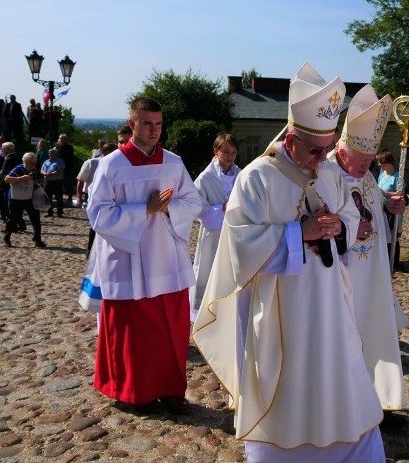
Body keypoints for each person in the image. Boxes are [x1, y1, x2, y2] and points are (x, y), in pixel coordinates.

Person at [193, 63, 385, 462]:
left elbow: (349, 218)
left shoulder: (328, 171)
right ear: (292, 137)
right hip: (283, 311)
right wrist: (301, 233)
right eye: (315, 150)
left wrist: (340, 228)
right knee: (288, 387)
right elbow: (240, 245)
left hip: (331, 304)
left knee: (342, 381)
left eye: (328, 147)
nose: (322, 159)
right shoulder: (256, 178)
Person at [86, 97, 202, 414]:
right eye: (147, 123)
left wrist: (169, 208)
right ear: (133, 123)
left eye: (159, 124)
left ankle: (170, 389)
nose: (154, 130)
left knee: (170, 330)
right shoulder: (112, 165)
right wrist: (144, 210)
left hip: (167, 260)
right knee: (132, 333)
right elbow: (97, 213)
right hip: (127, 263)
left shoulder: (174, 163)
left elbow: (193, 202)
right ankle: (133, 391)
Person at [331, 84, 407, 415]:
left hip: (369, 275)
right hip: (339, 276)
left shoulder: (365, 176)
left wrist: (392, 207)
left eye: (370, 161)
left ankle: (381, 401)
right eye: (360, 161)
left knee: (374, 331)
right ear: (343, 151)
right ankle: (345, 405)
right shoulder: (324, 175)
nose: (366, 168)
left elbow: (375, 204)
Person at [189, 133, 240, 322]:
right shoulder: (205, 178)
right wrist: (222, 209)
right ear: (216, 151)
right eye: (225, 151)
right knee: (210, 271)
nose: (230, 156)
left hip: (235, 234)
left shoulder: (242, 175)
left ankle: (230, 311)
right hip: (213, 234)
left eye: (233, 152)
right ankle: (208, 314)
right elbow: (197, 207)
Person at [76, 142, 117, 255]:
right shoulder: (91, 163)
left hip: (111, 196)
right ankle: (90, 249)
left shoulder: (117, 164)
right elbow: (80, 180)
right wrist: (79, 197)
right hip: (92, 196)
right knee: (95, 223)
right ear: (106, 153)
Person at [3, 152, 46, 248]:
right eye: (28, 162)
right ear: (24, 161)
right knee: (12, 219)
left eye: (32, 163)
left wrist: (37, 181)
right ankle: (6, 238)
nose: (30, 165)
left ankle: (37, 239)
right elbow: (7, 179)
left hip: (30, 197)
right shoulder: (18, 169)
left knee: (36, 219)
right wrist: (20, 178)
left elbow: (41, 180)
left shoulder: (34, 171)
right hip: (16, 197)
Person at [376, 149, 404, 267]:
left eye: (379, 162)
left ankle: (394, 262)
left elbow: (400, 193)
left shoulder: (397, 176)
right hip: (382, 209)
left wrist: (385, 193)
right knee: (383, 235)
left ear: (385, 162)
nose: (378, 164)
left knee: (393, 236)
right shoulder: (382, 175)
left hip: (392, 211)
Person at [41, 148, 65, 217]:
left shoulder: (60, 161)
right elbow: (41, 169)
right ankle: (49, 212)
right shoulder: (46, 161)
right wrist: (45, 173)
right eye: (49, 153)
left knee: (59, 197)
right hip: (48, 181)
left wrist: (50, 174)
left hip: (57, 181)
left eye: (51, 153)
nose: (50, 154)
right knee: (47, 197)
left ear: (55, 154)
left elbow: (59, 170)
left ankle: (59, 212)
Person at [56, 134, 75, 204]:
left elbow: (69, 157)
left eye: (63, 138)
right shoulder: (57, 147)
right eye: (60, 138)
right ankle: (58, 194)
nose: (61, 140)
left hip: (67, 167)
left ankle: (69, 194)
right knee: (59, 181)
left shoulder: (69, 147)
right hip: (58, 167)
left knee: (67, 181)